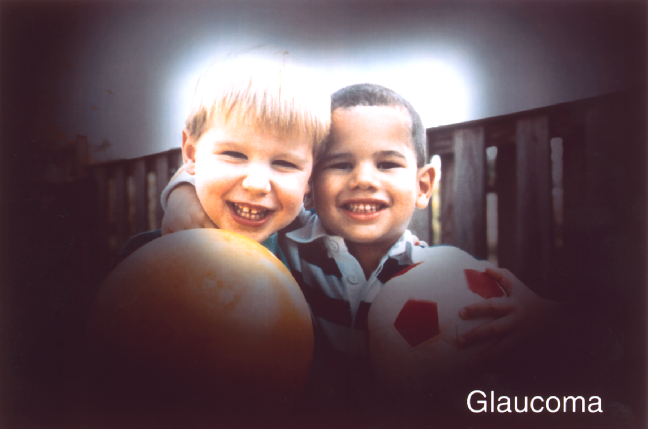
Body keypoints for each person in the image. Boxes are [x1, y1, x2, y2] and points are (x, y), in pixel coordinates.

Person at [161, 84, 566, 424]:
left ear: (424, 185)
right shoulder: (283, 241)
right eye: (339, 164)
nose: (363, 180)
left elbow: (556, 336)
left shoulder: (449, 277)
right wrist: (183, 193)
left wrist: (544, 318)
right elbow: (209, 174)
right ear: (309, 183)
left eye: (388, 164)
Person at [113, 48, 331, 268]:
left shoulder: (312, 265)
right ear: (191, 153)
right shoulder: (147, 259)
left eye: (285, 163)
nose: (256, 184)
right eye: (234, 154)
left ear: (310, 179)